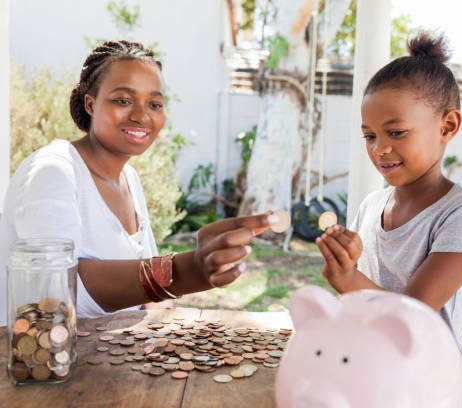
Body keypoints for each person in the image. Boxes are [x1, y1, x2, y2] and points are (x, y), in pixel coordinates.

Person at [0, 40, 278, 325]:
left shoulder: (129, 180)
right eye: (123, 100)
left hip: (105, 358)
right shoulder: (53, 171)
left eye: (155, 104)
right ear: (90, 103)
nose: (141, 115)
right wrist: (188, 269)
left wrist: (198, 258)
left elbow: (145, 299)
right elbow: (59, 294)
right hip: (38, 363)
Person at [315, 32, 462, 358]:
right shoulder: (372, 205)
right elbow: (360, 306)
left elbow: (415, 314)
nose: (379, 149)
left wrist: (347, 278)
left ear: (448, 126)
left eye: (396, 132)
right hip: (368, 359)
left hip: (427, 374)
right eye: (369, 135)